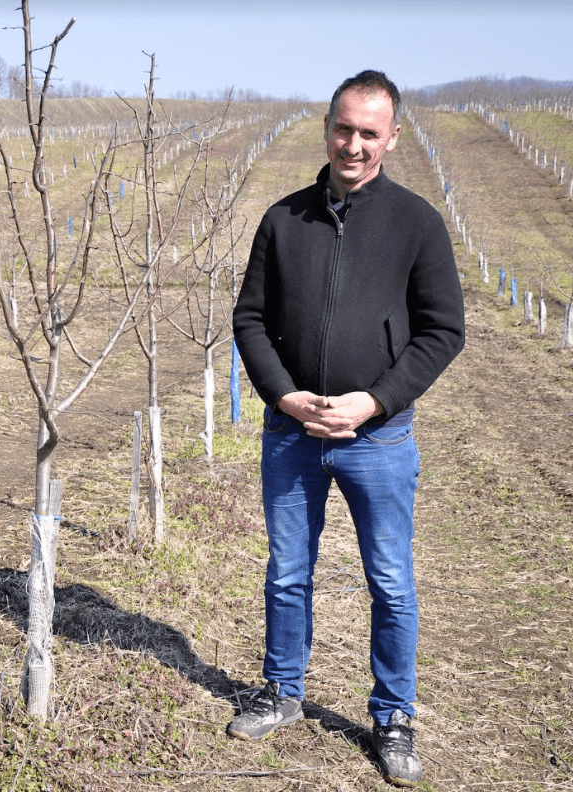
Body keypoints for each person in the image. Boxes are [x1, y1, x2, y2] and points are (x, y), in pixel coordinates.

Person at [230, 70, 464, 786]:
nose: (354, 144)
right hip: (291, 434)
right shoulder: (283, 219)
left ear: (392, 137)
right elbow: (250, 319)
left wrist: (376, 401)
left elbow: (441, 331)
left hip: (379, 442)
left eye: (370, 132)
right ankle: (282, 691)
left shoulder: (417, 223)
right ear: (325, 128)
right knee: (287, 572)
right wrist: (285, 395)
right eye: (344, 128)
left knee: (390, 581)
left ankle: (393, 717)